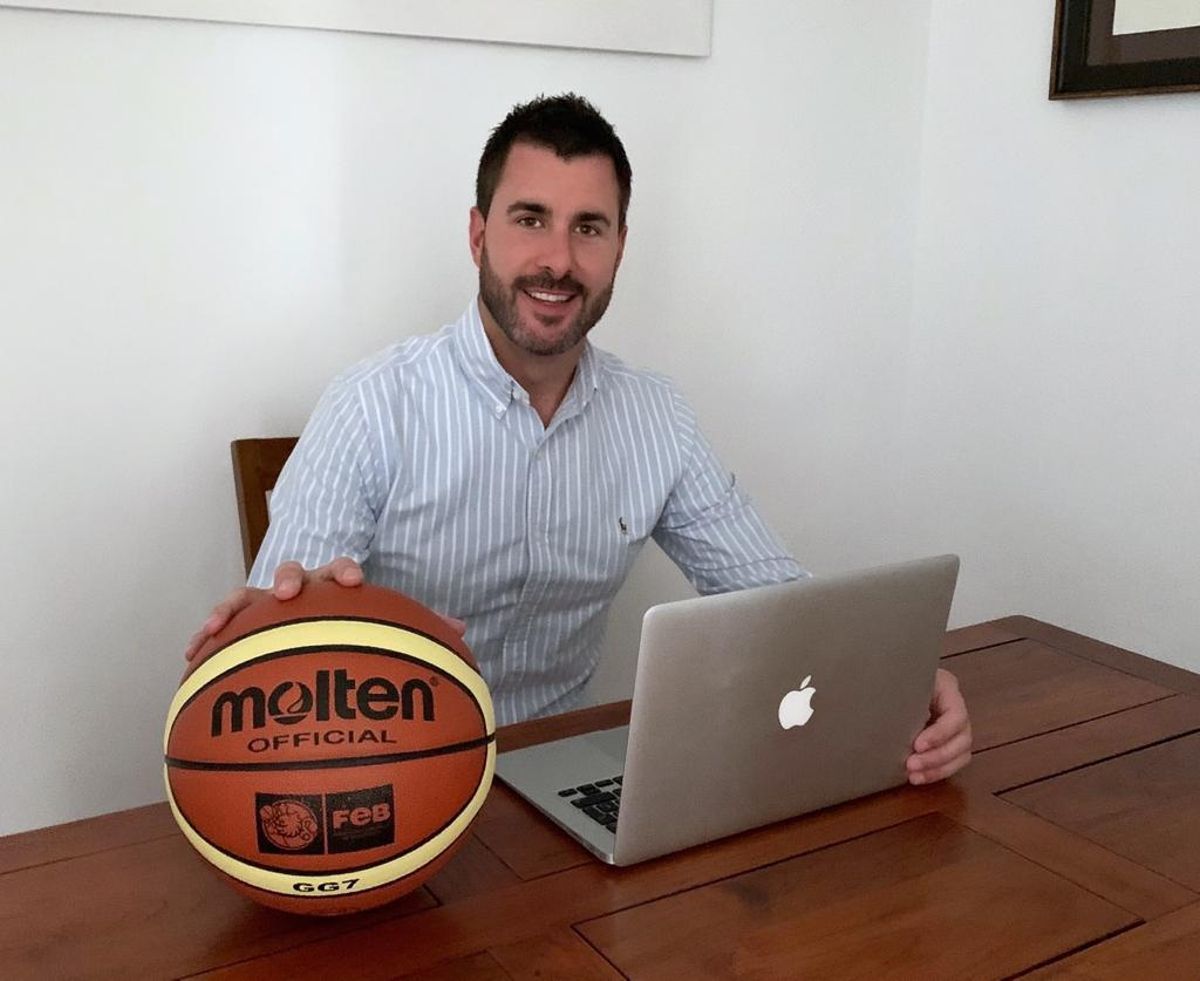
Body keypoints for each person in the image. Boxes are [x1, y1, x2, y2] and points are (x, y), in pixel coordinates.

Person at [185, 94, 971, 785]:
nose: (557, 260)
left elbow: (777, 603)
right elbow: (279, 646)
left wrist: (898, 680)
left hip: (567, 777)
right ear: (476, 233)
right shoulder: (370, 405)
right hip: (394, 782)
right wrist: (290, 620)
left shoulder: (656, 416)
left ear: (620, 246)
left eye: (587, 228)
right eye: (530, 219)